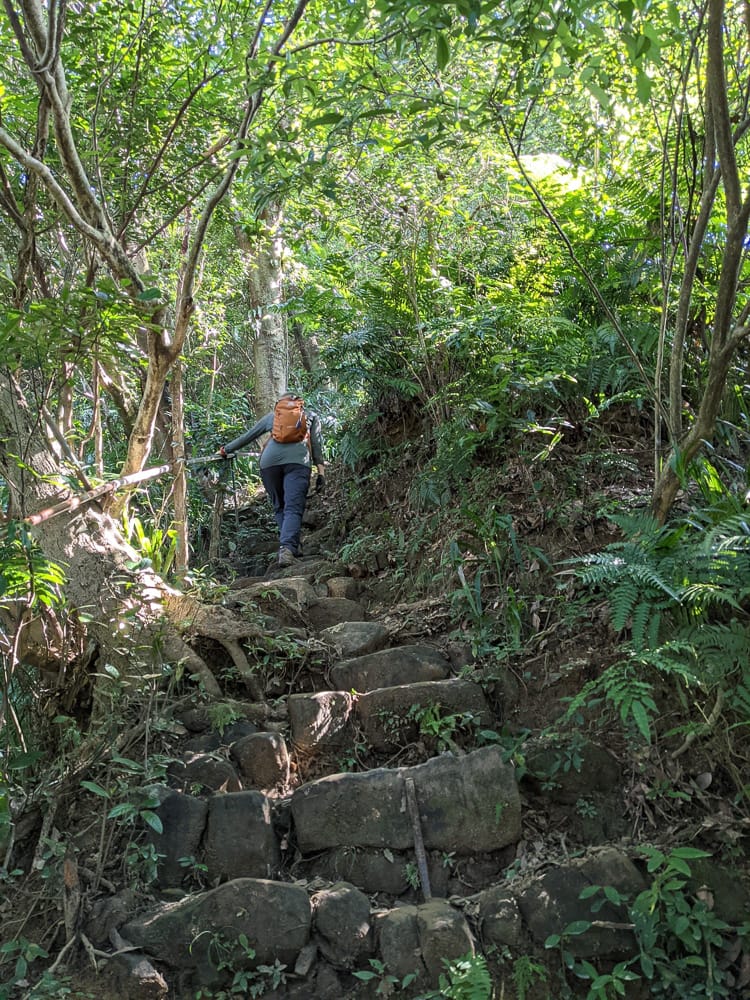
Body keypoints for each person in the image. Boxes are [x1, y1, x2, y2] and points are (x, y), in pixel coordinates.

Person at [219, 392, 325, 567]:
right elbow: (317, 448)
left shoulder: (273, 417)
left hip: (269, 464)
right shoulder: (311, 416)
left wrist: (225, 449)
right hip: (298, 463)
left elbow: (248, 436)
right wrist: (321, 473)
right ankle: (288, 548)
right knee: (293, 507)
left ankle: (290, 545)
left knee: (280, 506)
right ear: (300, 405)